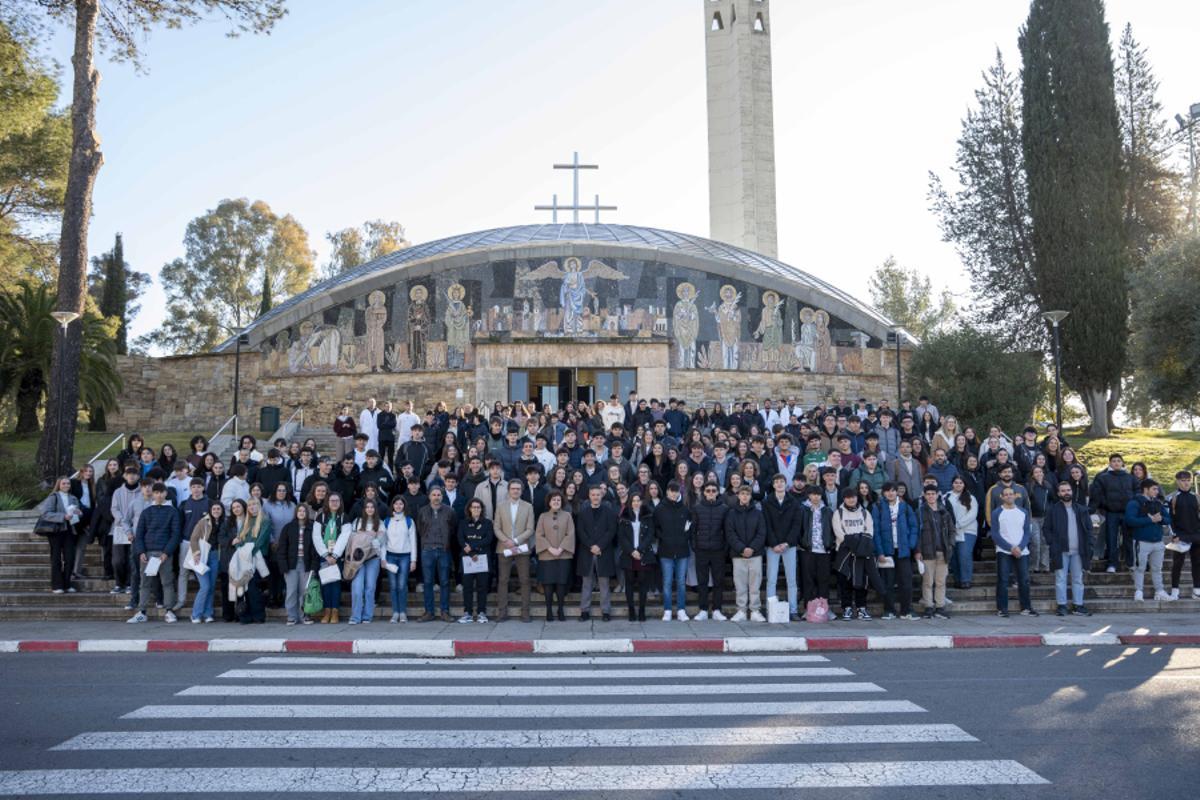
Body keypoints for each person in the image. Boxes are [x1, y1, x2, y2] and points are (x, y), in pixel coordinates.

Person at [127, 482, 181, 623]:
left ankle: (169, 611)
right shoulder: (146, 512)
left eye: (161, 492)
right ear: (153, 494)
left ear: (165, 493)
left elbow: (175, 534)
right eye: (156, 492)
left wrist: (166, 552)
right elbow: (139, 534)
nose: (159, 495)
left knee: (167, 583)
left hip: (164, 554)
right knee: (145, 583)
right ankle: (142, 612)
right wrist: (141, 552)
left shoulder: (172, 511)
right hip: (147, 553)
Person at [1043, 480, 1093, 616]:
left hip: (1079, 551)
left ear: (1072, 492)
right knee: (1060, 578)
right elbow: (1046, 529)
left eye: (1068, 490)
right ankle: (1062, 605)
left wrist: (1089, 545)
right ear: (1059, 493)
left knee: (1078, 578)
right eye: (1063, 491)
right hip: (1060, 550)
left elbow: (1089, 529)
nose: (1066, 493)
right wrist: (1052, 543)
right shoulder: (1053, 510)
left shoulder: (1082, 509)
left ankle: (1078, 605)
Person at [832, 488, 882, 619]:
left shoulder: (865, 513)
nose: (851, 499)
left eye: (853, 497)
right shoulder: (838, 513)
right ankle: (847, 608)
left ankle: (862, 608)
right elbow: (839, 533)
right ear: (844, 499)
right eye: (848, 497)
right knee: (845, 580)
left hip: (862, 552)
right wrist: (854, 541)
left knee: (862, 582)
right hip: (845, 552)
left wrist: (857, 543)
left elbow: (869, 532)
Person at [872, 482, 918, 620]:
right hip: (887, 551)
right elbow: (876, 531)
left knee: (906, 582)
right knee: (888, 582)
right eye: (887, 491)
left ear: (897, 492)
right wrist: (879, 551)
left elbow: (914, 526)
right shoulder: (878, 507)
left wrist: (910, 545)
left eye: (893, 491)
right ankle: (889, 610)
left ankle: (906, 610)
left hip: (903, 550)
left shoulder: (905, 507)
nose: (890, 493)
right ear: (884, 493)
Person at [990, 485, 1036, 618]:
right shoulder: (996, 512)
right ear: (1002, 497)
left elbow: (1027, 532)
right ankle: (1002, 609)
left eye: (1011, 494)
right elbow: (995, 534)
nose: (1009, 496)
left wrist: (1020, 547)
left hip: (1022, 551)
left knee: (1024, 580)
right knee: (1003, 580)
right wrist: (1010, 548)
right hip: (1004, 551)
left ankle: (1026, 608)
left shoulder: (1023, 512)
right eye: (1006, 494)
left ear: (1015, 496)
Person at [1088, 453, 1138, 573]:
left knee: (1128, 539)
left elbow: (1137, 492)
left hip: (1127, 514)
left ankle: (1130, 563)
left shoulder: (1130, 478)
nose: (1116, 463)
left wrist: (1133, 507)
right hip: (1111, 513)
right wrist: (1105, 505)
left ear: (1122, 463)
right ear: (1110, 463)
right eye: (1114, 461)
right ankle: (1112, 564)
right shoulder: (1103, 477)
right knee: (1111, 540)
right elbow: (1098, 494)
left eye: (1118, 461)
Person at [494, 479, 535, 622]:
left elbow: (530, 528)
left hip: (522, 548)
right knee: (503, 580)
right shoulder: (500, 506)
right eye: (513, 488)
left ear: (521, 491)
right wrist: (506, 541)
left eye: (518, 488)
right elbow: (496, 527)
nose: (515, 491)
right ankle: (502, 612)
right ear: (509, 490)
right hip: (503, 548)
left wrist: (515, 541)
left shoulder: (528, 506)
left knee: (524, 580)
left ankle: (525, 612)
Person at [576, 484, 618, 621]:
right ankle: (584, 611)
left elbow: (611, 531)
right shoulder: (582, 512)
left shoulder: (609, 512)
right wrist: (591, 546)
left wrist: (599, 546)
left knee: (604, 583)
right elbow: (580, 532)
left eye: (598, 494)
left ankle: (606, 611)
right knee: (586, 583)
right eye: (593, 494)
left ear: (602, 495)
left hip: (603, 551)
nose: (595, 497)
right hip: (587, 551)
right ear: (589, 496)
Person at [762, 473, 802, 621]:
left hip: (789, 546)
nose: (779, 484)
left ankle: (793, 610)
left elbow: (796, 525)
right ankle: (770, 609)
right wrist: (773, 543)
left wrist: (787, 543)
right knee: (771, 579)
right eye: (776, 482)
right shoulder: (767, 502)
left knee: (791, 580)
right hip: (772, 547)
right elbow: (766, 524)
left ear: (786, 484)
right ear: (773, 485)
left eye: (782, 482)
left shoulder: (794, 502)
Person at [339, 498, 384, 625]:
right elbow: (351, 539)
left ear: (375, 509)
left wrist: (365, 537)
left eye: (372, 507)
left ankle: (367, 616)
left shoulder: (380, 523)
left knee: (370, 588)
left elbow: (380, 542)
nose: (370, 509)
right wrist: (369, 536)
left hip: (372, 559)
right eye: (367, 507)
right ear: (364, 509)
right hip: (357, 559)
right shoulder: (357, 522)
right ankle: (355, 616)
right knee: (357, 588)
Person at [1125, 479, 1171, 603]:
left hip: (1158, 542)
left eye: (1157, 489)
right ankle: (1139, 592)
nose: (1157, 491)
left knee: (1157, 569)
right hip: (1142, 542)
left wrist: (1160, 519)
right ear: (1146, 489)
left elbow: (1168, 519)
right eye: (1154, 489)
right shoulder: (1134, 503)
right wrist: (1149, 520)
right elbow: (1129, 520)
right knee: (1140, 568)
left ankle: (1159, 591)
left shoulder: (1157, 503)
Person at [726, 483, 767, 622]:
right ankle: (741, 611)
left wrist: (752, 549)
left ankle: (755, 610)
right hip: (738, 555)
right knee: (740, 584)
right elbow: (730, 534)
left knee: (755, 585)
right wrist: (742, 549)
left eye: (747, 494)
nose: (744, 496)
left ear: (750, 497)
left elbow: (762, 533)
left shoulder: (758, 513)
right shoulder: (731, 513)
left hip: (755, 554)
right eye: (742, 494)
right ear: (738, 495)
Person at [416, 485, 457, 622]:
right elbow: (420, 529)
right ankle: (429, 612)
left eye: (439, 495)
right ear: (429, 496)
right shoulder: (422, 511)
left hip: (443, 550)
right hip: (427, 550)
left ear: (442, 496)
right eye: (434, 495)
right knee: (428, 582)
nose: (436, 497)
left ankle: (445, 611)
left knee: (445, 582)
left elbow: (452, 529)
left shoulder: (449, 511)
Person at [653, 481, 691, 621]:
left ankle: (681, 609)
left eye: (676, 491)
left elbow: (689, 526)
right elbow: (655, 528)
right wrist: (664, 538)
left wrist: (684, 537)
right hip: (666, 551)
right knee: (667, 581)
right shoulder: (660, 509)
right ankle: (667, 610)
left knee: (681, 582)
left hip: (682, 551)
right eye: (672, 491)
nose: (674, 493)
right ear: (667, 492)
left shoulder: (685, 509)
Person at [36, 476, 82, 594]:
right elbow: (46, 513)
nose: (66, 485)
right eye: (64, 483)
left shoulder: (73, 498)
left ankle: (67, 584)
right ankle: (57, 585)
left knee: (70, 558)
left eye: (68, 483)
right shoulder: (53, 497)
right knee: (56, 558)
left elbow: (76, 515)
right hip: (56, 531)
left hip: (69, 530)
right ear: (59, 485)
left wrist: (78, 513)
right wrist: (63, 516)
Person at [229, 497, 271, 624]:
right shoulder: (246, 522)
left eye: (255, 505)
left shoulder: (264, 521)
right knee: (243, 587)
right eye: (250, 505)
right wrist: (241, 548)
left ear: (259, 506)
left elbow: (260, 541)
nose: (252, 507)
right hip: (244, 559)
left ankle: (258, 616)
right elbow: (238, 540)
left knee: (254, 588)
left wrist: (247, 550)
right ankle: (245, 616)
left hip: (258, 558)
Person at [535, 489, 575, 621]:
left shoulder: (567, 516)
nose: (556, 502)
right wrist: (549, 548)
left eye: (558, 500)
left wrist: (561, 548)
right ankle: (548, 611)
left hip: (563, 555)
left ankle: (560, 609)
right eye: (554, 500)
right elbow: (539, 535)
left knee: (561, 583)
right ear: (549, 502)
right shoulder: (543, 516)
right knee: (548, 584)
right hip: (547, 555)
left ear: (562, 502)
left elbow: (570, 534)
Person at [692, 479, 729, 620]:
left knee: (718, 581)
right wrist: (695, 547)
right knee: (702, 581)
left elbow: (727, 531)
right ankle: (702, 609)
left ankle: (717, 610)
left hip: (718, 550)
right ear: (704, 493)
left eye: (714, 491)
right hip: (701, 550)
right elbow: (692, 530)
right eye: (708, 491)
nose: (711, 493)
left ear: (718, 493)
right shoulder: (697, 508)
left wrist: (724, 549)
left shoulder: (724, 509)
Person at [916, 485, 954, 619]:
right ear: (925, 496)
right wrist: (918, 550)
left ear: (937, 495)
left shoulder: (944, 511)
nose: (931, 496)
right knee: (927, 581)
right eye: (928, 494)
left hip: (942, 551)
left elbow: (952, 531)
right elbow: (917, 533)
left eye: (933, 493)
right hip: (927, 551)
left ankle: (940, 606)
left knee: (940, 581)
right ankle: (928, 607)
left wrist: (950, 545)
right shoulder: (920, 512)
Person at [617, 492, 656, 621]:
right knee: (629, 583)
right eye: (633, 501)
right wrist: (631, 551)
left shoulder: (648, 515)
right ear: (630, 502)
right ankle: (631, 610)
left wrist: (639, 550)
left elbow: (651, 534)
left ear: (642, 502)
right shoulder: (624, 516)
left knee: (643, 583)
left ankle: (642, 611)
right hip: (629, 554)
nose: (636, 503)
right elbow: (621, 536)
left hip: (643, 554)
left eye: (638, 500)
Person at [275, 502, 316, 626]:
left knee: (305, 590)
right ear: (296, 513)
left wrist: (314, 566)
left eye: (304, 511)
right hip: (291, 564)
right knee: (292, 591)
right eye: (299, 511)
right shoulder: (288, 528)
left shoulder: (312, 527)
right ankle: (292, 616)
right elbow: (282, 548)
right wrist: (283, 566)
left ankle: (305, 615)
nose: (301, 513)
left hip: (306, 564)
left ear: (307, 513)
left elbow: (315, 549)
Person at [798, 486, 834, 618]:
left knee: (823, 580)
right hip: (807, 549)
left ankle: (824, 609)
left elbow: (832, 529)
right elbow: (799, 527)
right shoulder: (803, 509)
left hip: (824, 550)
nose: (816, 497)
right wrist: (801, 543)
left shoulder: (827, 511)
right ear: (809, 496)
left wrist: (830, 544)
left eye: (818, 494)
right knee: (808, 580)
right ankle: (809, 608)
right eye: (813, 494)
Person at [459, 498, 495, 623]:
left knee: (482, 587)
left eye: (478, 507)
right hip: (467, 558)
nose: (476, 509)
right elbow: (460, 539)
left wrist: (473, 547)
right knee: (467, 587)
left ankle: (481, 612)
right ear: (469, 509)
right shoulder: (463, 523)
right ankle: (467, 612)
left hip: (482, 559)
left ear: (481, 509)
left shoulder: (487, 523)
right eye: (473, 507)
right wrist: (470, 552)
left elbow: (488, 539)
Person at [313, 493, 347, 623]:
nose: (334, 503)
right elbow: (316, 537)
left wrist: (335, 555)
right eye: (331, 500)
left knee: (336, 584)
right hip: (324, 556)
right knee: (326, 584)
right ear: (327, 502)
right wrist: (326, 555)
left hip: (337, 556)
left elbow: (344, 537)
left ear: (340, 502)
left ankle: (335, 612)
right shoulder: (320, 517)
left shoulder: (344, 517)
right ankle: (326, 611)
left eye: (337, 500)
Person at [1167, 471, 1200, 600]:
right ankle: (1175, 590)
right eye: (1182, 480)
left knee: (1197, 563)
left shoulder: (1197, 497)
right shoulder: (1172, 498)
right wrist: (1174, 534)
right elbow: (1168, 519)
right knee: (1177, 564)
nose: (1185, 483)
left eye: (1188, 480)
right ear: (1177, 481)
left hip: (1196, 535)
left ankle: (1197, 590)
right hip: (1180, 536)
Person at [945, 475, 978, 590]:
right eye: (956, 482)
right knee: (954, 557)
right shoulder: (946, 497)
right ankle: (958, 580)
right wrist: (951, 527)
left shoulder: (971, 497)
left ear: (964, 485)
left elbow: (972, 514)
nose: (958, 484)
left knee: (964, 554)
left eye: (960, 483)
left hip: (968, 530)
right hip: (951, 531)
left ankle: (966, 580)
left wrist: (958, 524)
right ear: (952, 484)